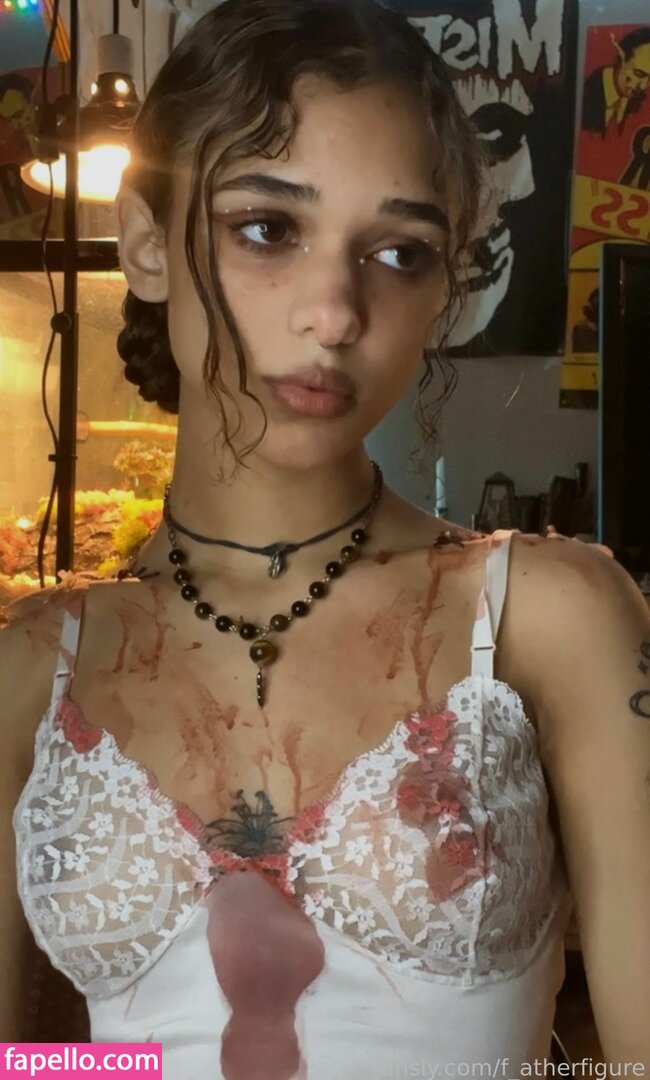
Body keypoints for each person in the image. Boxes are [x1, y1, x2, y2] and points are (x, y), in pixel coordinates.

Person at [1, 0, 649, 1075]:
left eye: (398, 252)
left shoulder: (547, 617)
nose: (336, 312)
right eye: (267, 228)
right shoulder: (35, 666)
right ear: (149, 242)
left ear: (442, 290)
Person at [581, 26, 650, 138]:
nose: (643, 86)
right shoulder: (583, 93)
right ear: (622, 57)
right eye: (639, 73)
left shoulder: (640, 103)